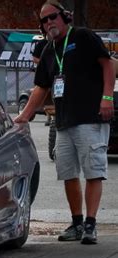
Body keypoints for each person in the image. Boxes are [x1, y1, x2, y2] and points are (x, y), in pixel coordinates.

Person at [14, 0, 115, 244]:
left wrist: (107, 97)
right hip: (64, 121)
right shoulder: (49, 50)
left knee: (93, 172)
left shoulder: (82, 36)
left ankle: (91, 225)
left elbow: (108, 64)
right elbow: (41, 88)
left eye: (53, 17)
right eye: (44, 20)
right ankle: (77, 223)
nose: (49, 23)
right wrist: (23, 116)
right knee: (68, 174)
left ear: (65, 17)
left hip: (90, 117)